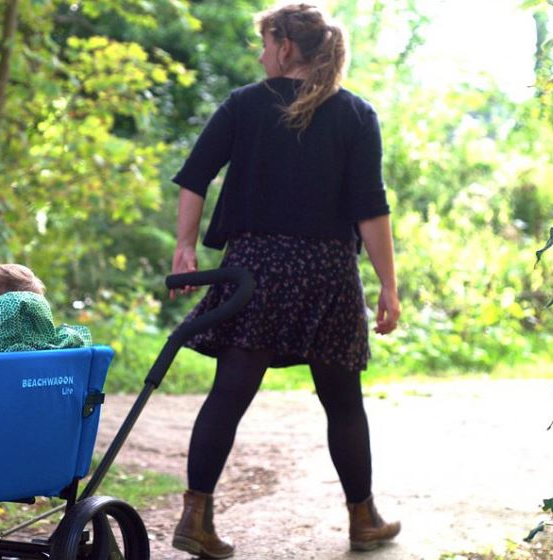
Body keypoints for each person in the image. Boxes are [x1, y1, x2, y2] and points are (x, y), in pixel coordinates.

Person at [168, 3, 401, 555]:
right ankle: (362, 518)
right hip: (327, 272)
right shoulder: (355, 113)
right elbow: (371, 209)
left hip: (257, 269)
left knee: (229, 392)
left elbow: (195, 176)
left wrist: (185, 245)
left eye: (265, 42)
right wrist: (389, 286)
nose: (260, 53)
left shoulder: (244, 105)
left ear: (285, 47)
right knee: (343, 399)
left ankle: (195, 517)